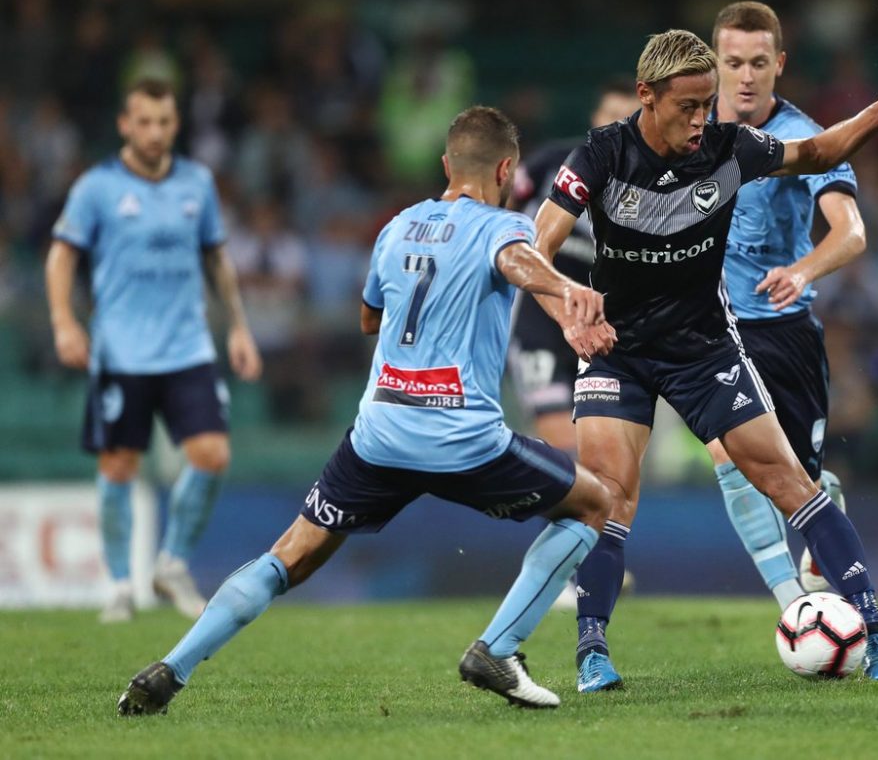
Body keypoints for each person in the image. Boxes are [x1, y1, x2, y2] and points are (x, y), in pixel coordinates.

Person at [116, 106, 616, 716]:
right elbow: (517, 260)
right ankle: (499, 649)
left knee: (291, 554)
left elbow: (368, 318)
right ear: (507, 168)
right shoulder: (502, 228)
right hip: (461, 437)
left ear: (445, 165)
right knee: (593, 503)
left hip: (379, 434)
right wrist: (565, 291)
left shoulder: (397, 226)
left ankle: (172, 668)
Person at [531, 30, 878, 691]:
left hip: (702, 347)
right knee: (605, 497)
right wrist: (569, 315)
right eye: (687, 106)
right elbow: (534, 251)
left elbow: (819, 150)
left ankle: (877, 631)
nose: (699, 120)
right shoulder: (601, 154)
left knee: (788, 479)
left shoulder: (730, 149)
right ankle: (592, 651)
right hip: (617, 350)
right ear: (646, 96)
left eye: (705, 104)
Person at [45, 78, 263, 623]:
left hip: (187, 347)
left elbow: (217, 258)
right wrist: (64, 322)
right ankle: (120, 585)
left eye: (164, 122)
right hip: (121, 351)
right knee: (119, 466)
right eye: (144, 122)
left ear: (176, 124)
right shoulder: (97, 188)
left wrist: (238, 328)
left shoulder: (197, 182)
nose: (155, 132)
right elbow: (60, 257)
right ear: (125, 124)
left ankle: (172, 563)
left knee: (213, 454)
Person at [706, 1, 867, 607]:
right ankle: (793, 607)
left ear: (779, 63)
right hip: (712, 330)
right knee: (727, 452)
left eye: (757, 63)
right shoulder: (690, 132)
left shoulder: (803, 139)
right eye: (732, 63)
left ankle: (822, 514)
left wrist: (802, 271)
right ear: (714, 63)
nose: (744, 76)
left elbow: (852, 233)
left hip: (782, 327)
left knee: (796, 481)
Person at [508, 80, 640, 452]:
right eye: (610, 117)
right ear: (594, 119)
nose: (616, 128)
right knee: (564, 443)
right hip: (539, 324)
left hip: (605, 333)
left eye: (628, 121)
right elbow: (499, 209)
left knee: (606, 454)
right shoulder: (553, 163)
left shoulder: (654, 192)